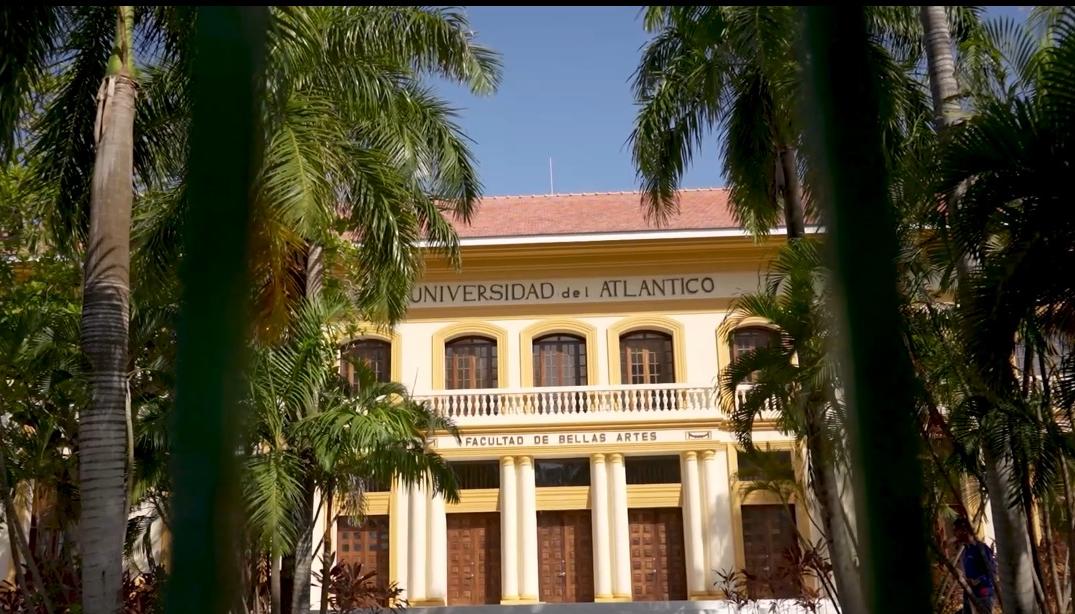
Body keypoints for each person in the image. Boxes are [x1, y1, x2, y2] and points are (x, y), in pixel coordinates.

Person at [954, 517, 996, 613]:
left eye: (956, 530)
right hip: (969, 592)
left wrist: (977, 581)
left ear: (965, 530)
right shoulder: (965, 551)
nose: (955, 534)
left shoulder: (981, 549)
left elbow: (992, 571)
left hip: (983, 592)